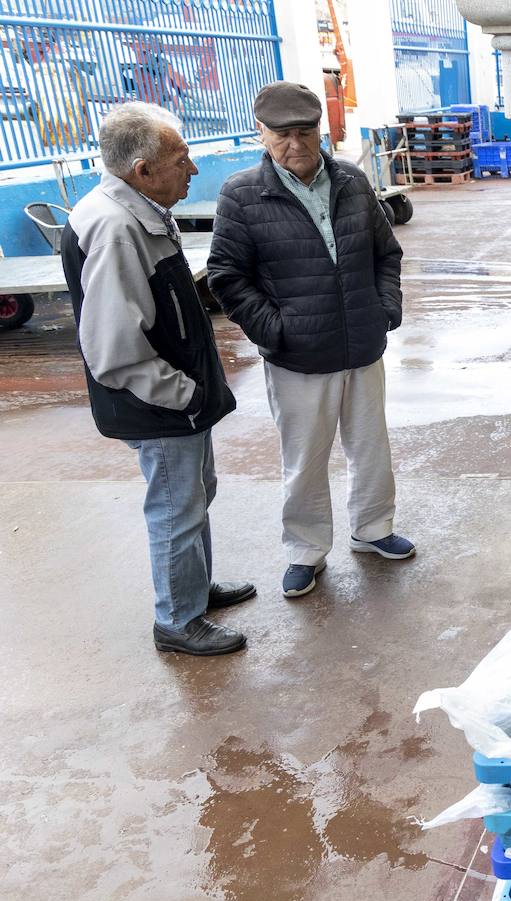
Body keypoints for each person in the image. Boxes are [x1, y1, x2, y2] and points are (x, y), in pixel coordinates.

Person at [61, 102, 254, 656]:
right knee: (176, 508)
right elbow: (114, 350)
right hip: (162, 404)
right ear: (143, 170)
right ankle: (177, 620)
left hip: (176, 398)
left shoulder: (135, 208)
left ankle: (192, 590)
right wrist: (184, 395)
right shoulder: (116, 229)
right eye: (181, 159)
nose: (192, 169)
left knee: (193, 495)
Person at [209, 81, 412, 600]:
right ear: (261, 133)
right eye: (282, 135)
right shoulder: (242, 193)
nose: (295, 144)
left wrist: (385, 309)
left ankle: (373, 528)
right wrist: (276, 330)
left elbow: (385, 253)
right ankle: (305, 551)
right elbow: (227, 277)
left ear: (320, 130)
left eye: (305, 132)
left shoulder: (351, 180)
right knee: (304, 460)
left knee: (371, 447)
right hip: (296, 358)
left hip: (361, 344)